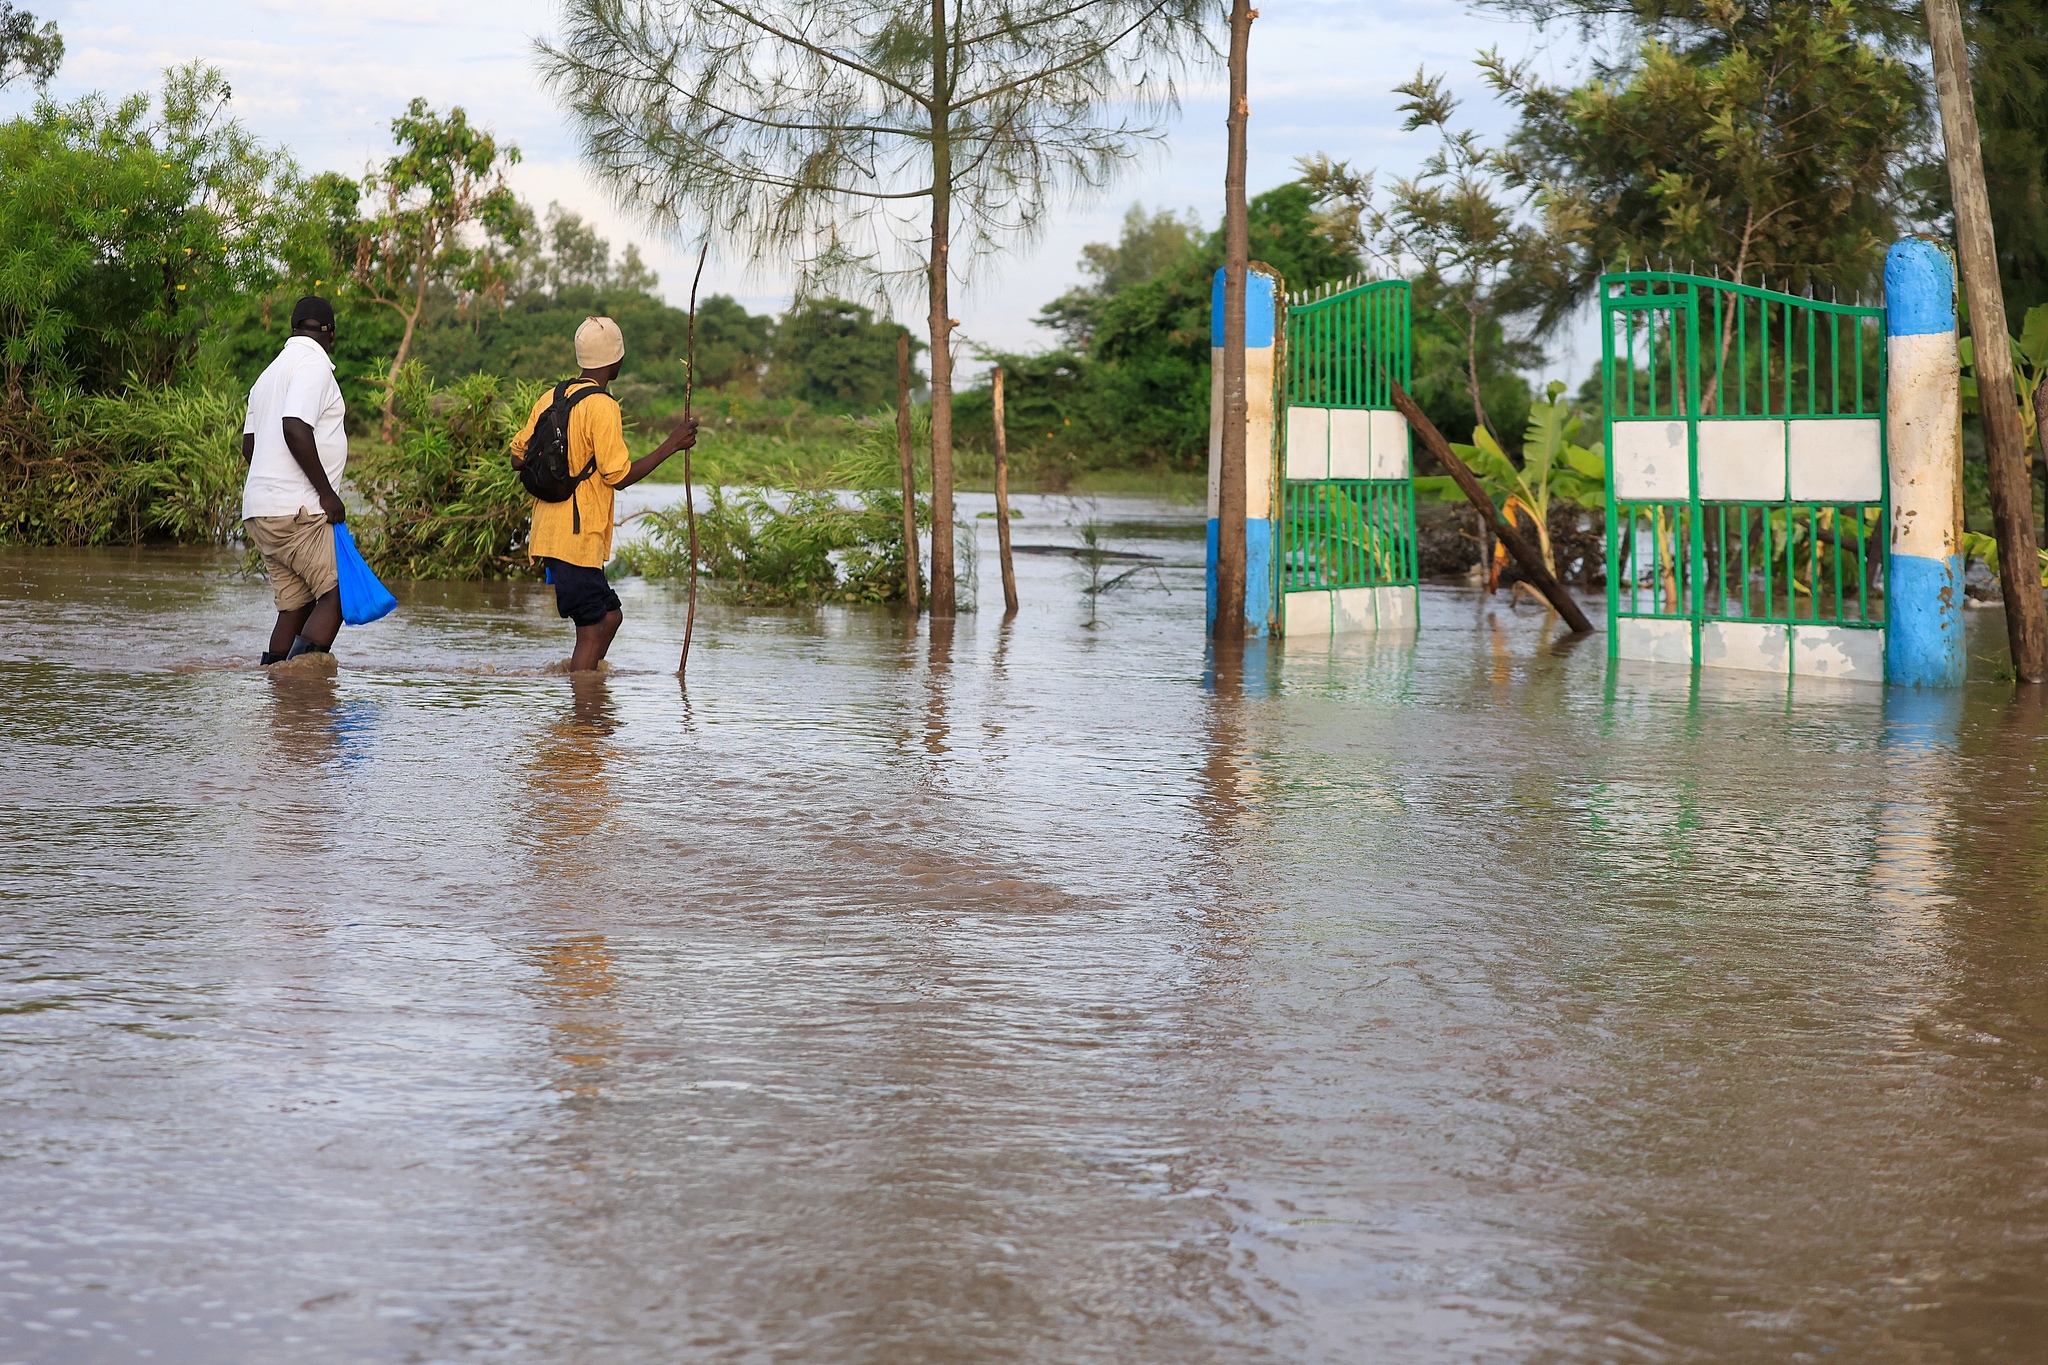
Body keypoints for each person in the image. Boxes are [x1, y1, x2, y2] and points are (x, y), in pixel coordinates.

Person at [511, 316, 698, 672]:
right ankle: (584, 719)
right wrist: (671, 445)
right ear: (615, 361)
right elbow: (620, 475)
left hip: (552, 532)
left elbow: (517, 456)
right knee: (592, 629)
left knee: (610, 616)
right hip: (576, 538)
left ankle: (587, 692)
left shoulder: (551, 397)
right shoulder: (603, 406)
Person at [241, 296, 350, 666]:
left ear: (292, 328)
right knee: (339, 594)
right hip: (298, 512)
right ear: (331, 334)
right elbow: (295, 426)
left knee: (294, 607)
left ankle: (275, 688)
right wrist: (327, 495)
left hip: (261, 512)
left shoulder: (268, 374)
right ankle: (302, 688)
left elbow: (249, 446)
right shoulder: (312, 367)